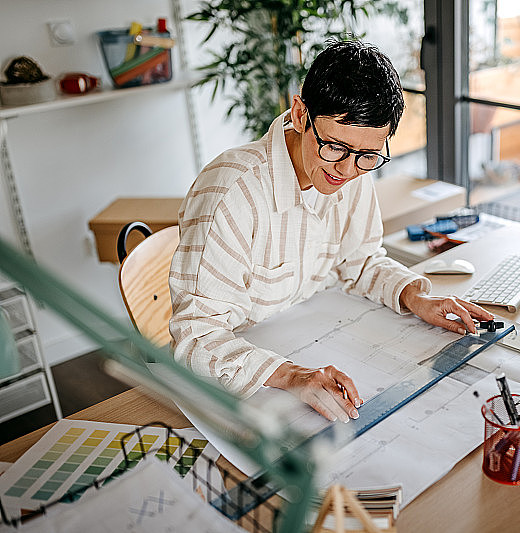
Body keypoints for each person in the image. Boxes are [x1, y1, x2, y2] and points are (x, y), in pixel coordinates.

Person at [169, 40, 492, 424]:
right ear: (300, 114)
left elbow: (361, 261)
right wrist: (292, 375)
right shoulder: (232, 193)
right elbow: (197, 336)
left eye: (368, 156)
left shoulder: (350, 165)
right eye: (335, 148)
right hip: (247, 380)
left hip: (319, 339)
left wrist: (415, 297)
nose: (347, 171)